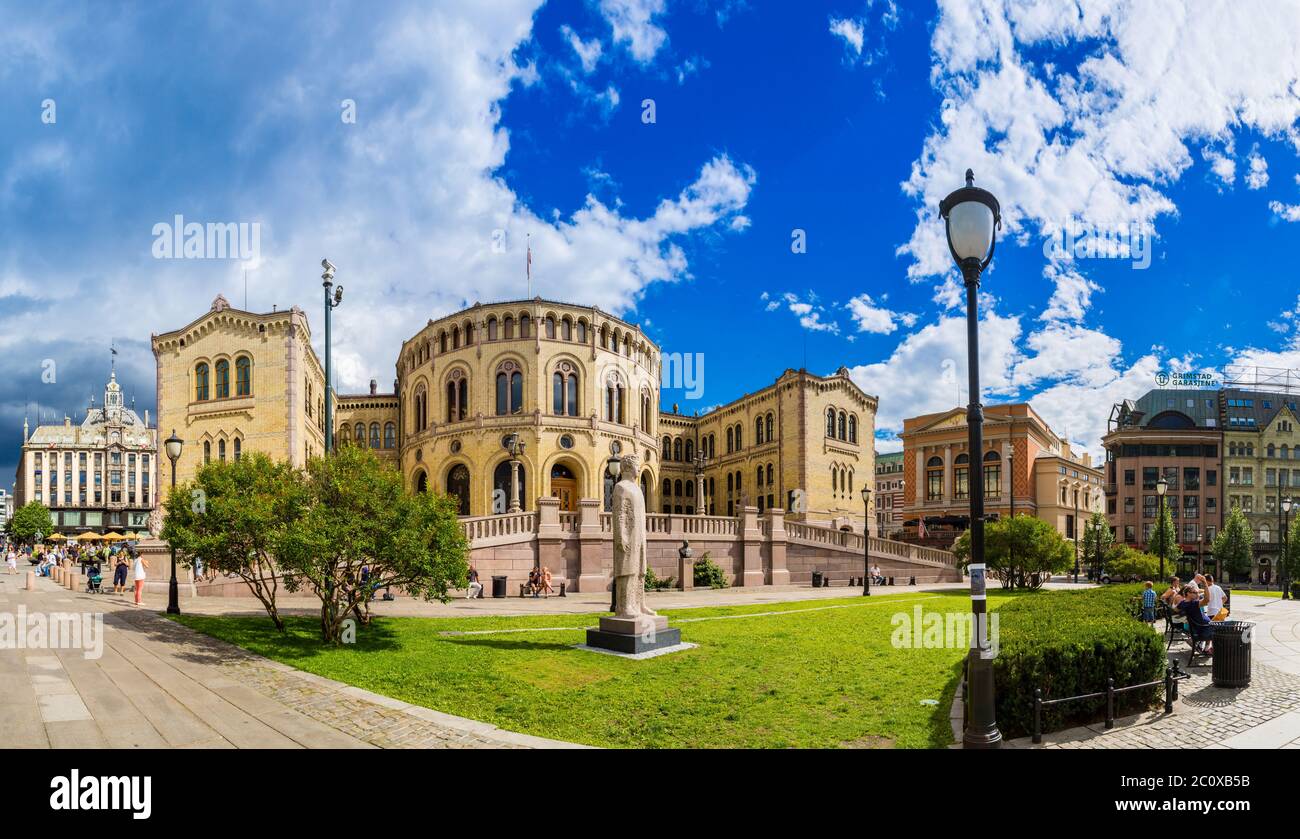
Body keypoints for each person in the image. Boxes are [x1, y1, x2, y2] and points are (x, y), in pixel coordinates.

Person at [1177, 584, 1214, 654]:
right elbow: (1207, 599)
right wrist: (1205, 585)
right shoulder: (1193, 603)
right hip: (1203, 630)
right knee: (1221, 629)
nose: (1197, 594)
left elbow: (1176, 609)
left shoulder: (1182, 603)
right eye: (1195, 593)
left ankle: (1205, 648)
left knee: (1212, 623)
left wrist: (1184, 617)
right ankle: (1208, 648)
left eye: (1198, 592)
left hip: (1198, 628)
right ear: (1188, 593)